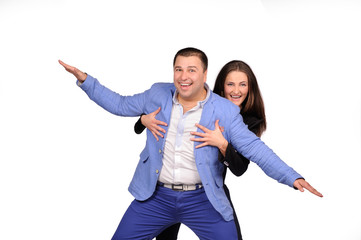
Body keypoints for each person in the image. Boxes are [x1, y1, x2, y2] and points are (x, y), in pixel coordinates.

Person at [59, 47, 322, 240]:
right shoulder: (157, 95)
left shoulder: (225, 111)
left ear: (205, 74)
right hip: (156, 197)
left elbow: (255, 149)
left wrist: (292, 177)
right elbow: (119, 103)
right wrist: (85, 80)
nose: (184, 76)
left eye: (192, 70)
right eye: (179, 69)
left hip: (202, 199)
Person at [134, 60, 266, 240]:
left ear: (250, 88)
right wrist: (143, 119)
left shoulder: (250, 121)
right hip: (169, 186)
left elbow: (240, 169)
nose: (236, 91)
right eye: (230, 84)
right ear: (221, 87)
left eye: (242, 84)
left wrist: (222, 144)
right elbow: (152, 121)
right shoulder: (203, 104)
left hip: (207, 190)